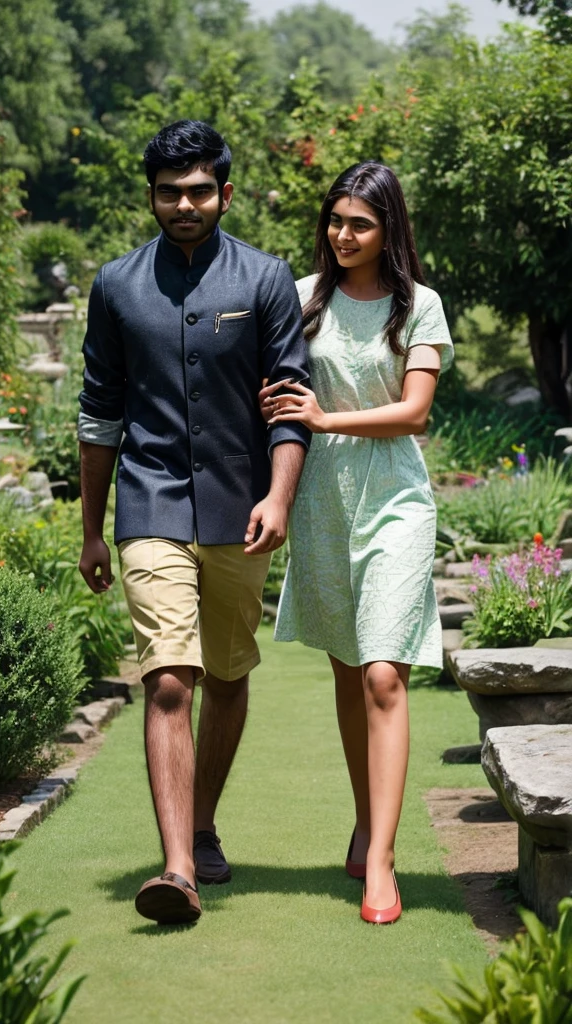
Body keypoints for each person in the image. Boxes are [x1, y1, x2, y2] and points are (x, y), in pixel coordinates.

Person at [77, 120, 310, 926]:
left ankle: (202, 823)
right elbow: (100, 413)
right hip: (149, 503)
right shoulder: (116, 285)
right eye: (170, 192)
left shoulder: (266, 279)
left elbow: (290, 404)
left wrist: (279, 497)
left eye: (200, 191)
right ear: (150, 196)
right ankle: (177, 870)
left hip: (241, 508)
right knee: (171, 678)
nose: (185, 204)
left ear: (225, 193)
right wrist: (92, 529)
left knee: (229, 677)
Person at [261, 161, 453, 925]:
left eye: (361, 224)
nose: (344, 234)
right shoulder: (302, 297)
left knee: (382, 673)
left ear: (388, 229)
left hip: (395, 500)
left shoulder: (420, 306)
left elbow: (415, 412)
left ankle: (382, 860)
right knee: (348, 666)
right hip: (322, 503)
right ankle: (366, 821)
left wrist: (325, 418)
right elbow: (272, 386)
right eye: (336, 220)